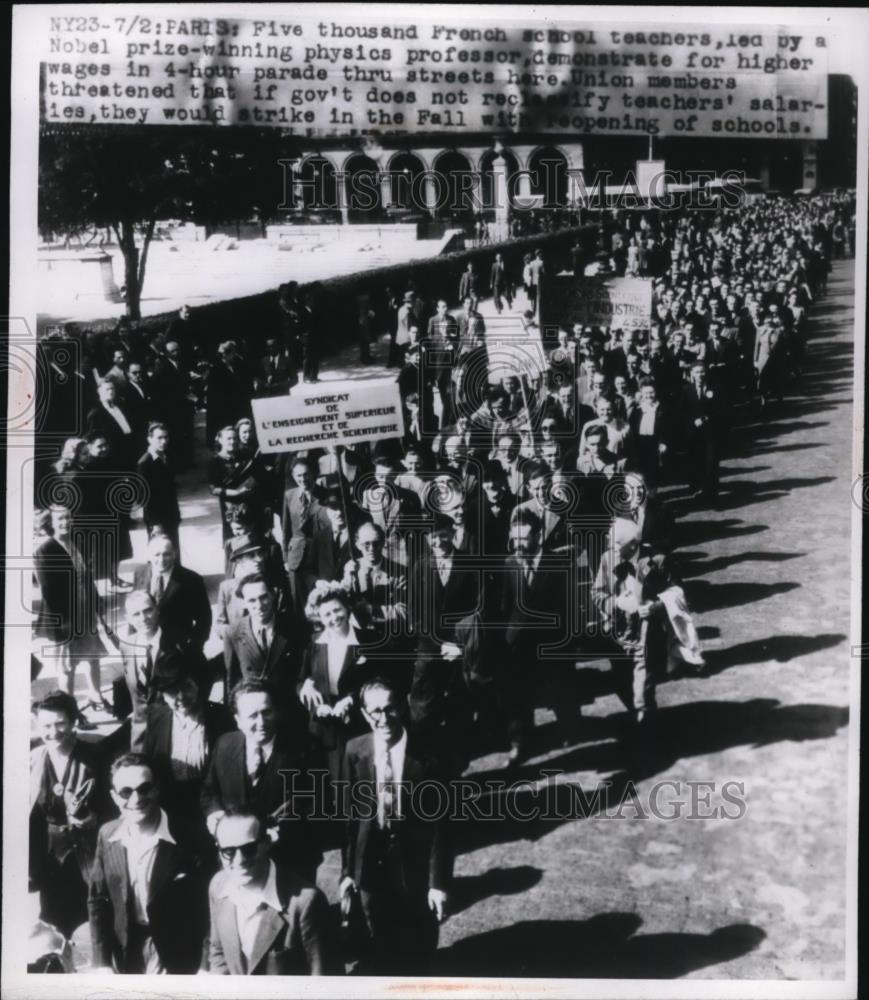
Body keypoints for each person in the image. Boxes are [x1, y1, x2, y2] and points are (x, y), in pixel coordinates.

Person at [341, 677, 452, 976]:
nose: (384, 718)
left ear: (402, 706)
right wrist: (347, 873)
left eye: (390, 709)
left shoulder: (430, 753)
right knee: (377, 934)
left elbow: (442, 825)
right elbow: (351, 818)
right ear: (364, 714)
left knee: (420, 938)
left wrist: (438, 882)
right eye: (375, 711)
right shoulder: (354, 750)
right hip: (371, 859)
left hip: (413, 860)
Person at [88, 752, 209, 973]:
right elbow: (97, 900)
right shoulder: (107, 835)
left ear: (156, 789)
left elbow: (208, 906)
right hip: (126, 949)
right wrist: (102, 962)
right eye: (125, 792)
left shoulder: (190, 837)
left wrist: (206, 965)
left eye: (144, 788)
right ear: (114, 797)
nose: (136, 800)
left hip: (176, 953)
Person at [201, 680, 319, 881]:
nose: (262, 722)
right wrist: (214, 813)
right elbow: (210, 791)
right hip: (237, 865)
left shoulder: (304, 749)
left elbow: (316, 805)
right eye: (253, 716)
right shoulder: (224, 745)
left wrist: (286, 828)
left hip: (288, 862)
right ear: (237, 719)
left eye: (266, 712)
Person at [207, 809, 341, 975]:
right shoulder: (218, 886)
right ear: (218, 850)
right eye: (229, 851)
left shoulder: (305, 902)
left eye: (249, 849)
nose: (239, 860)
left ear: (267, 843)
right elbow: (219, 952)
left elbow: (325, 980)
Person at [29, 691, 104, 939]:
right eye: (46, 726)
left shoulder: (95, 756)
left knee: (94, 914)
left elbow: (114, 806)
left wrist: (96, 818)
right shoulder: (34, 760)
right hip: (51, 857)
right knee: (55, 921)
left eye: (61, 723)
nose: (54, 732)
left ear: (73, 722)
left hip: (90, 852)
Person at [142, 657, 235, 856]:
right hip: (171, 805)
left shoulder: (220, 717)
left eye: (186, 687)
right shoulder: (156, 717)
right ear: (163, 695)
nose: (181, 696)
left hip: (210, 804)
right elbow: (148, 762)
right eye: (172, 691)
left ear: (197, 684)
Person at [408, 515, 480, 763]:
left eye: (442, 535)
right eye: (432, 536)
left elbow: (479, 611)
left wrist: (460, 645)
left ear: (453, 533)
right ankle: (421, 762)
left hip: (461, 651)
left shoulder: (471, 565)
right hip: (429, 650)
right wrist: (439, 644)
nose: (438, 541)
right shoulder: (420, 567)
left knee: (460, 708)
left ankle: (458, 761)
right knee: (422, 709)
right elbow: (415, 615)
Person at [591, 519, 674, 724]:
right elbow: (596, 593)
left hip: (647, 632)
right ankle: (642, 717)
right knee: (622, 683)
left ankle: (647, 724)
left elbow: (676, 593)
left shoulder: (658, 560)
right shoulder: (607, 559)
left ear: (634, 544)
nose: (612, 549)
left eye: (617, 544)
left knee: (643, 686)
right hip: (618, 634)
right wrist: (616, 603)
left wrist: (654, 606)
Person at [34, 505, 110, 723]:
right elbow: (48, 592)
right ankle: (70, 711)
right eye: (60, 520)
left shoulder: (75, 543)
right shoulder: (45, 550)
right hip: (66, 619)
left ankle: (96, 696)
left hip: (85, 612)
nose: (65, 522)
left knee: (93, 656)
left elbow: (86, 577)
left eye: (67, 518)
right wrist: (63, 624)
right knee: (68, 666)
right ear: (50, 524)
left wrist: (97, 602)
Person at [298, 582, 379, 791]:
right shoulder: (314, 643)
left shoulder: (368, 641)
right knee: (329, 787)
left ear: (347, 608)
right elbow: (301, 681)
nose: (333, 618)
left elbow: (377, 681)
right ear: (319, 617)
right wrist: (308, 693)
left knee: (359, 783)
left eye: (337, 610)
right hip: (323, 726)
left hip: (358, 723)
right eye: (327, 614)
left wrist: (352, 698)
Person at [117, 590, 184, 750]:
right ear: (128, 619)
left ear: (157, 609)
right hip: (140, 734)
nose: (143, 618)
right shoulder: (127, 645)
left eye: (148, 610)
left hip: (174, 731)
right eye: (136, 614)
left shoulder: (178, 643)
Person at [223, 574, 299, 708]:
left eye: (263, 597)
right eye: (252, 600)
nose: (259, 605)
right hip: (256, 709)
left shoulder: (294, 627)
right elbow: (232, 680)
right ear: (245, 603)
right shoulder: (233, 632)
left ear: (273, 595)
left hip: (288, 705)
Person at [132, 534, 212, 653]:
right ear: (149, 555)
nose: (161, 560)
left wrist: (194, 647)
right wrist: (132, 643)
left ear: (175, 553)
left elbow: (204, 619)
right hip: (147, 646)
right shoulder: (140, 574)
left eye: (167, 554)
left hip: (178, 650)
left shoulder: (191, 580)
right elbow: (134, 607)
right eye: (157, 554)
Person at [281, 456, 329, 618]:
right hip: (296, 556)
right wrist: (285, 558)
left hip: (318, 555)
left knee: (320, 599)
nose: (303, 479)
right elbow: (286, 529)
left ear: (314, 474)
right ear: (293, 476)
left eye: (306, 474)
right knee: (297, 603)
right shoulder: (289, 495)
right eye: (299, 475)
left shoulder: (325, 495)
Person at [209, 425, 262, 543]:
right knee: (233, 540)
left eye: (234, 438)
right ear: (220, 440)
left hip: (249, 503)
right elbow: (213, 489)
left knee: (252, 538)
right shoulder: (215, 461)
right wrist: (236, 492)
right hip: (230, 506)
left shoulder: (244, 455)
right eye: (229, 439)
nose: (232, 442)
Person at [137, 422, 182, 558]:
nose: (164, 441)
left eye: (166, 437)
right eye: (159, 438)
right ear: (149, 439)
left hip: (170, 515)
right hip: (157, 520)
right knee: (159, 554)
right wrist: (155, 524)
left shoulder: (165, 457)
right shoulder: (145, 463)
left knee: (173, 552)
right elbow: (145, 498)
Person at [206, 341, 253, 445]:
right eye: (232, 353)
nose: (234, 356)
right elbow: (216, 395)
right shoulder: (216, 370)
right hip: (225, 411)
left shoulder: (237, 366)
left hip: (238, 408)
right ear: (226, 354)